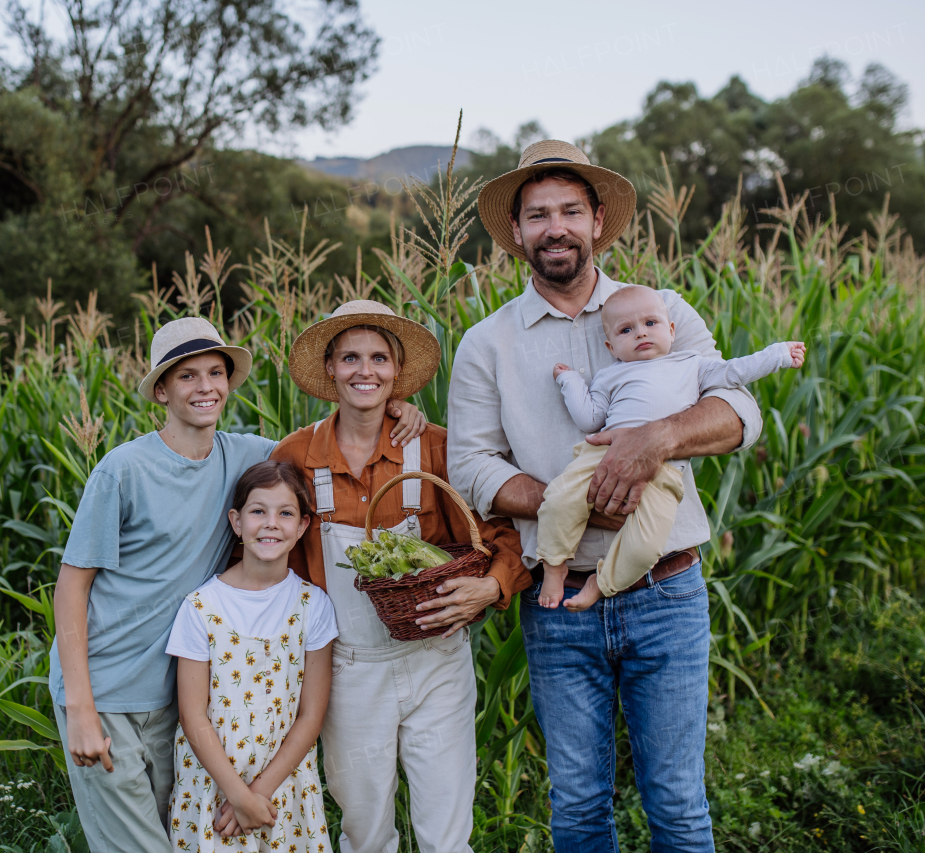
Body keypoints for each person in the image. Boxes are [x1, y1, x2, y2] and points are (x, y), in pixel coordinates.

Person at [449, 139, 765, 852]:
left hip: (668, 592)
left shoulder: (661, 311)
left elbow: (740, 415)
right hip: (557, 604)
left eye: (568, 210)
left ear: (596, 219)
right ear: (519, 234)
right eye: (537, 215)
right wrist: (578, 501)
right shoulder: (487, 343)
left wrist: (655, 440)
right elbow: (470, 466)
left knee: (678, 803)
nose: (554, 227)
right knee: (581, 805)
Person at [49, 316, 426, 853]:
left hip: (170, 696)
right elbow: (71, 586)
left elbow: (328, 443)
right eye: (187, 377)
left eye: (216, 373)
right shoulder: (123, 470)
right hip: (107, 689)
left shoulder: (246, 454)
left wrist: (392, 408)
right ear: (162, 390)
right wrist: (81, 709)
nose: (205, 387)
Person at [270, 300, 525, 853]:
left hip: (437, 662)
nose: (366, 371)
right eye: (351, 358)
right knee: (364, 829)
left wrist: (491, 585)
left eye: (380, 359)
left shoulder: (435, 446)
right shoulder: (294, 455)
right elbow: (274, 560)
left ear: (397, 371)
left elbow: (503, 534)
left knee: (446, 832)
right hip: (347, 670)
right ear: (331, 369)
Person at [538, 284, 807, 610]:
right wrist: (570, 382)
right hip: (603, 456)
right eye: (627, 330)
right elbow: (589, 418)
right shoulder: (612, 375)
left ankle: (602, 582)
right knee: (559, 499)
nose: (640, 334)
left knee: (644, 546)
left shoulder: (692, 364)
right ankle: (554, 564)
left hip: (663, 470)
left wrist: (777, 355)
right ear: (611, 346)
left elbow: (735, 372)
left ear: (671, 329)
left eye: (650, 323)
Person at [165, 460, 337, 852]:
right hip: (213, 786)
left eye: (286, 513)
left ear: (303, 527)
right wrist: (238, 797)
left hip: (282, 785)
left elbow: (311, 715)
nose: (271, 523)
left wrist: (259, 793)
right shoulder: (201, 607)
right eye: (258, 511)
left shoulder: (314, 606)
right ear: (237, 521)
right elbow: (192, 714)